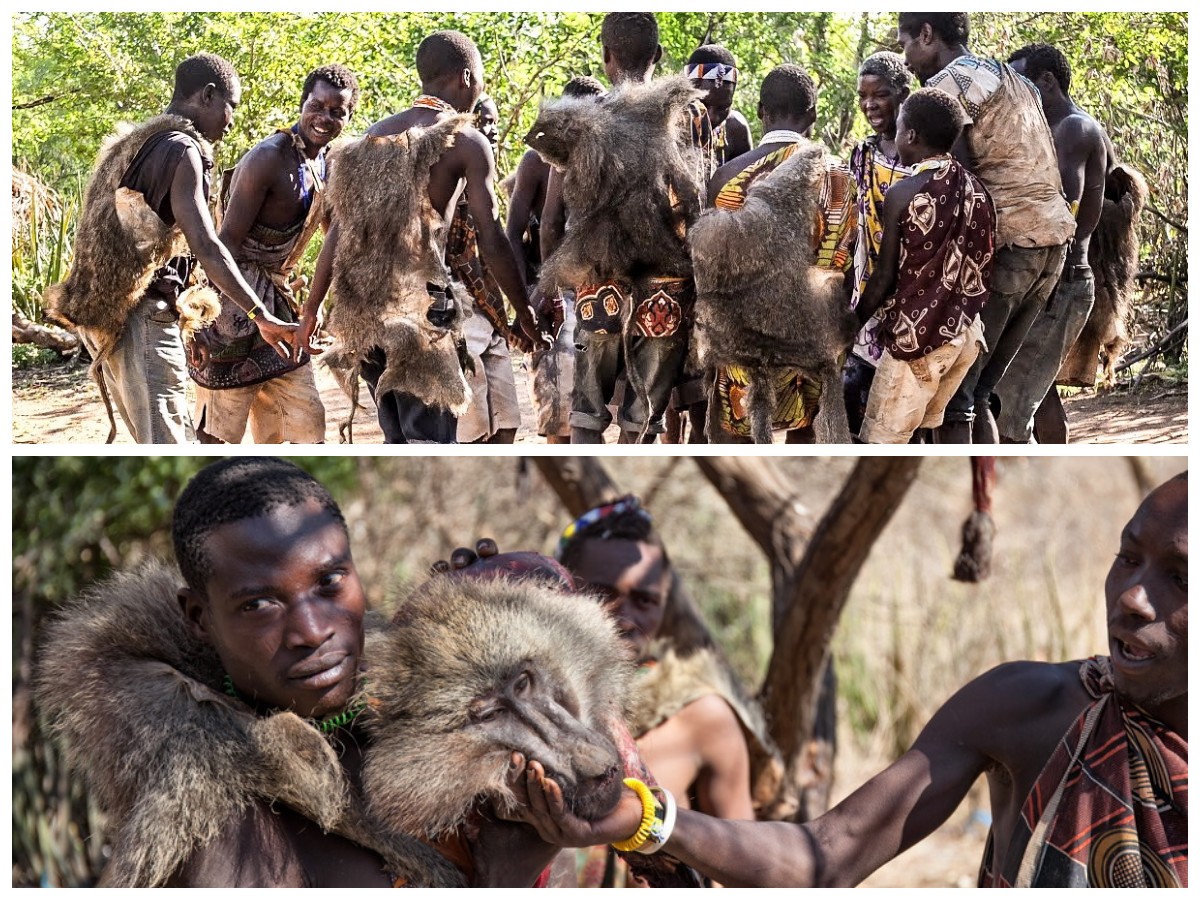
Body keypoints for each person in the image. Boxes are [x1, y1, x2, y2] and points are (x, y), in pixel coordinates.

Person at [510, 473, 1188, 888]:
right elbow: (826, 854)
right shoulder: (1032, 709)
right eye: (1125, 557)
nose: (1131, 596)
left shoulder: (698, 711)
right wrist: (649, 822)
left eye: (1179, 577)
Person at [35, 458, 561, 887]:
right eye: (260, 604)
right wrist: (507, 874)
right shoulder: (224, 832)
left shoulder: (412, 712)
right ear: (199, 618)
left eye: (330, 581)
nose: (311, 631)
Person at [300, 30, 546, 443]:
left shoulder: (374, 135)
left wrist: (312, 309)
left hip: (366, 310)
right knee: (432, 444)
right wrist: (522, 310)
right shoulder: (466, 140)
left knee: (399, 439)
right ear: (467, 78)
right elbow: (491, 237)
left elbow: (339, 232)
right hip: (423, 312)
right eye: (481, 78)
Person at [45, 53, 297, 443]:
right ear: (209, 96)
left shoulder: (137, 142)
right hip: (137, 318)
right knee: (169, 448)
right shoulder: (183, 150)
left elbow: (158, 248)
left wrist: (189, 328)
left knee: (157, 443)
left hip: (107, 312)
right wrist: (261, 315)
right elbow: (207, 247)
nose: (231, 122)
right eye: (232, 107)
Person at [553, 497, 758, 887]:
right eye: (602, 592)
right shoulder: (524, 705)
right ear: (562, 590)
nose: (625, 614)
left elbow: (742, 864)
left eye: (645, 600)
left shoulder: (700, 716)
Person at [897, 12, 1076, 443]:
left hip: (1008, 246)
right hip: (1051, 244)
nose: (905, 59)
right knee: (980, 393)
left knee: (956, 398)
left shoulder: (946, 86)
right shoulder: (1014, 79)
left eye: (905, 43)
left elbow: (959, 176)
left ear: (926, 34)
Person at [538, 12, 712, 444]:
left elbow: (553, 220)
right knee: (643, 421)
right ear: (658, 54)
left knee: (586, 415)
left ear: (604, 55)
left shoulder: (581, 121)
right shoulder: (689, 115)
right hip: (668, 287)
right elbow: (699, 202)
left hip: (599, 284)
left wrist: (552, 288)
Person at [189, 64, 359, 445]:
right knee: (219, 431)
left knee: (305, 426)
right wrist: (200, 323)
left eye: (337, 112)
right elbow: (223, 245)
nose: (325, 118)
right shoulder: (268, 158)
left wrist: (316, 309)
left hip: (280, 309)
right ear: (302, 104)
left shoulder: (331, 164)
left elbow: (334, 242)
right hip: (230, 305)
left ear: (348, 117)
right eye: (317, 106)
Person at [706, 64, 857, 444]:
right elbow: (848, 259)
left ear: (760, 111)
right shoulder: (841, 176)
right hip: (817, 329)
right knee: (805, 428)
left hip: (744, 332)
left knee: (737, 425)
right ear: (814, 116)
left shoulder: (728, 178)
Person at [853, 89, 995, 444]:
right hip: (965, 336)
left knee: (881, 442)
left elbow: (885, 276)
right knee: (922, 431)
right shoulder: (977, 190)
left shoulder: (905, 193)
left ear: (911, 136)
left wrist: (851, 325)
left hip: (916, 341)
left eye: (899, 129)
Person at [995, 43, 1117, 444]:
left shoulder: (1073, 129)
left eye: (1021, 84)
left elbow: (1060, 207)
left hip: (1059, 282)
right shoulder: (1054, 130)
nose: (1014, 97)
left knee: (1009, 410)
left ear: (1047, 81)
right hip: (1049, 281)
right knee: (1035, 399)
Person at [506, 76, 606, 444]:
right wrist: (531, 297)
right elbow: (520, 231)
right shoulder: (536, 162)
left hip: (601, 294)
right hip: (556, 297)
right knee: (561, 419)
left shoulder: (606, 157)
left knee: (593, 413)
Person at [447, 94, 525, 444]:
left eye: (494, 121)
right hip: (460, 311)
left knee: (507, 421)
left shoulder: (486, 183)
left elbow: (496, 249)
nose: (491, 130)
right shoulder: (448, 183)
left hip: (491, 313)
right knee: (473, 425)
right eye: (484, 122)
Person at [844, 52, 914, 438]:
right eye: (863, 96)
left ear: (903, 94)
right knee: (855, 389)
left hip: (915, 297)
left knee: (906, 408)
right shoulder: (863, 153)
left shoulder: (924, 157)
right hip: (869, 292)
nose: (870, 104)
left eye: (881, 95)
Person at [685, 44, 752, 168]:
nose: (712, 117)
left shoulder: (736, 129)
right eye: (703, 105)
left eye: (723, 108)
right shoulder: (665, 126)